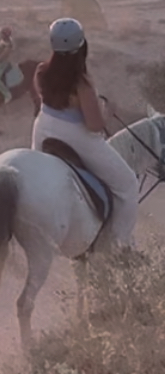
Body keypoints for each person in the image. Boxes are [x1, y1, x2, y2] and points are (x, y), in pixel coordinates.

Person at [32, 17, 138, 249]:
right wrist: (108, 113)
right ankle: (120, 245)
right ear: (82, 46)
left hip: (44, 128)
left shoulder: (41, 71)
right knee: (128, 185)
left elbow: (47, 99)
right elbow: (94, 125)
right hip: (76, 136)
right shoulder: (82, 83)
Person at [0, 28, 22, 103]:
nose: (0, 35)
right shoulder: (4, 41)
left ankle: (7, 94)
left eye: (2, 34)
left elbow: (4, 55)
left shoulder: (9, 44)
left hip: (2, 63)